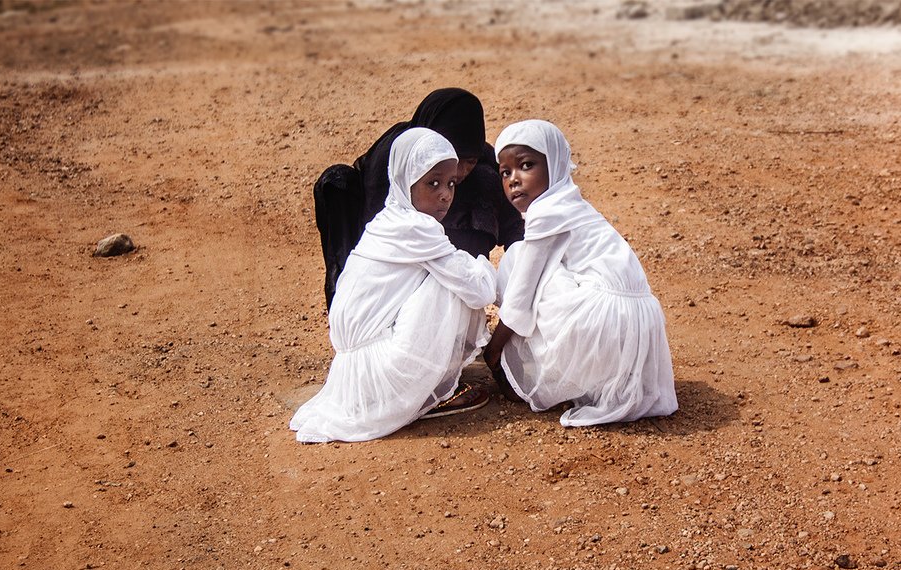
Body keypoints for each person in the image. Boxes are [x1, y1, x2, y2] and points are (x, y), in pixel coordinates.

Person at [291, 128, 497, 443]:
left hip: (353, 374)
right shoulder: (417, 228)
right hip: (382, 376)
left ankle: (422, 387)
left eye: (451, 183)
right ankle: (430, 394)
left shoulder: (387, 219)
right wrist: (490, 268)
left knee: (449, 274)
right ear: (404, 181)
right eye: (433, 183)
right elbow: (479, 290)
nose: (445, 194)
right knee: (455, 285)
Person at [482, 119, 678, 427]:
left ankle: (559, 378)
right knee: (540, 268)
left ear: (556, 165)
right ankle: (599, 381)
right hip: (633, 322)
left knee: (516, 260)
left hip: (606, 319)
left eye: (526, 165)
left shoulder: (547, 212)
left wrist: (493, 353)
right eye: (505, 172)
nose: (513, 180)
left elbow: (520, 296)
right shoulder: (572, 204)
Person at [313, 88, 523, 308]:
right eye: (454, 159)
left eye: (468, 162)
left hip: (454, 273)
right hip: (396, 268)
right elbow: (384, 236)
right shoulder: (396, 157)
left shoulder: (483, 163)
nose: (459, 173)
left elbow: (515, 229)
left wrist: (526, 273)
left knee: (485, 178)